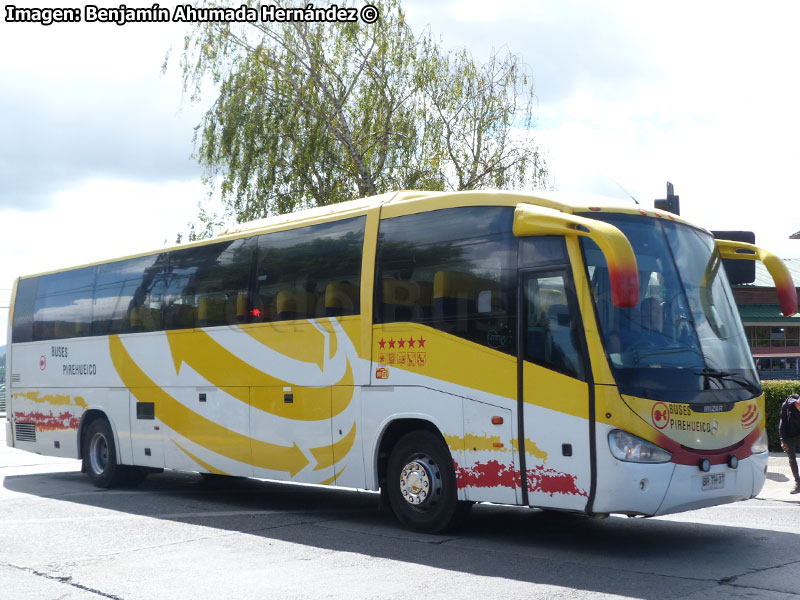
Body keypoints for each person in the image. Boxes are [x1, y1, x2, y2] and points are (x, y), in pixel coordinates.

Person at [778, 393, 800, 494]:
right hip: (790, 436)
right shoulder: (786, 406)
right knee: (792, 459)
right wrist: (783, 440)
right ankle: (798, 483)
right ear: (797, 403)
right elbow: (782, 424)